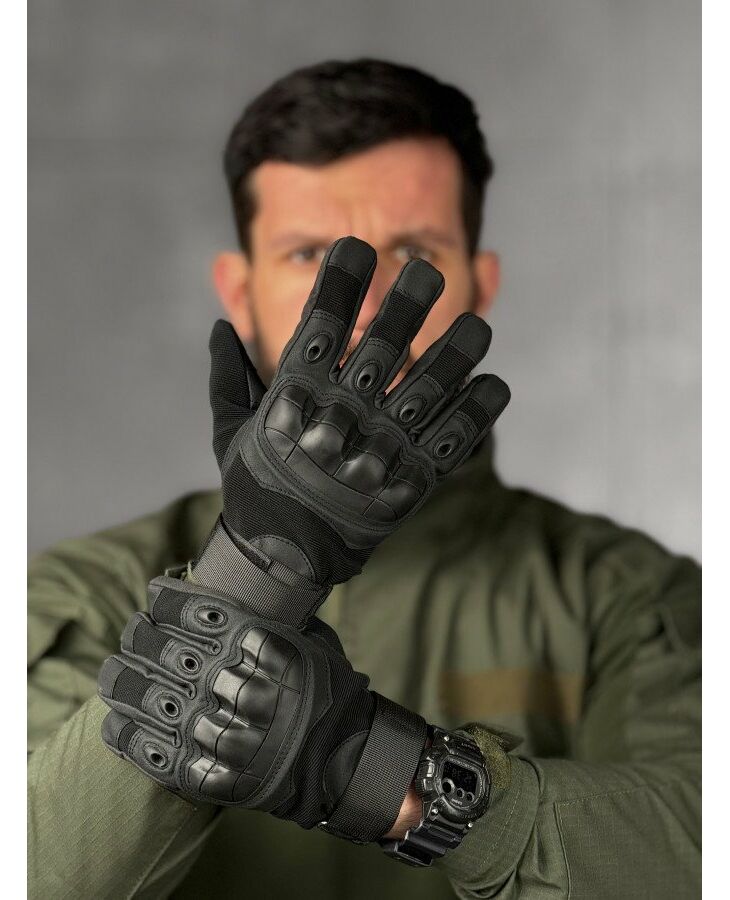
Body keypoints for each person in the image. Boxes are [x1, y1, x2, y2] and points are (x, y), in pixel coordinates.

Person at [27, 59, 700, 899]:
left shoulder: (628, 597)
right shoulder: (89, 590)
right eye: (307, 253)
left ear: (481, 284)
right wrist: (255, 573)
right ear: (240, 290)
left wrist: (371, 773)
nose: (373, 312)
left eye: (416, 254)